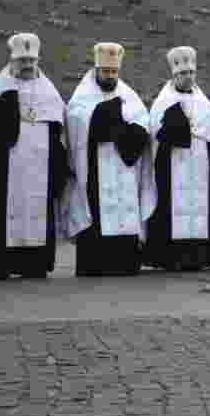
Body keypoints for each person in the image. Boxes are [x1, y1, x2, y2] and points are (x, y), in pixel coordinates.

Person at [0, 33, 69, 280]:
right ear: (12, 61)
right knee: (4, 210)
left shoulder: (49, 93)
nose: (27, 65)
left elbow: (60, 129)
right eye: (22, 61)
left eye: (31, 60)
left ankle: (35, 264)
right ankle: (1, 264)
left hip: (40, 167)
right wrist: (2, 110)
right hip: (6, 166)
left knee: (37, 210)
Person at [65, 42, 153, 276]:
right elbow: (77, 122)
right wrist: (105, 117)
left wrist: (121, 128)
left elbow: (142, 123)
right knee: (96, 214)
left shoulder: (128, 95)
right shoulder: (82, 97)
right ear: (96, 70)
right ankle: (94, 264)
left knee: (124, 209)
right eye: (106, 71)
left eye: (114, 72)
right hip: (95, 169)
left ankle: (125, 263)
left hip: (124, 168)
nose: (110, 76)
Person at [144, 46, 210, 271]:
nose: (188, 77)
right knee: (174, 206)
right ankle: (172, 256)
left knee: (198, 205)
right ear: (174, 76)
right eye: (183, 74)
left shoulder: (204, 103)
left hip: (198, 161)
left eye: (191, 73)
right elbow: (156, 132)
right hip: (172, 162)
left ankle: (198, 256)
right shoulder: (163, 102)